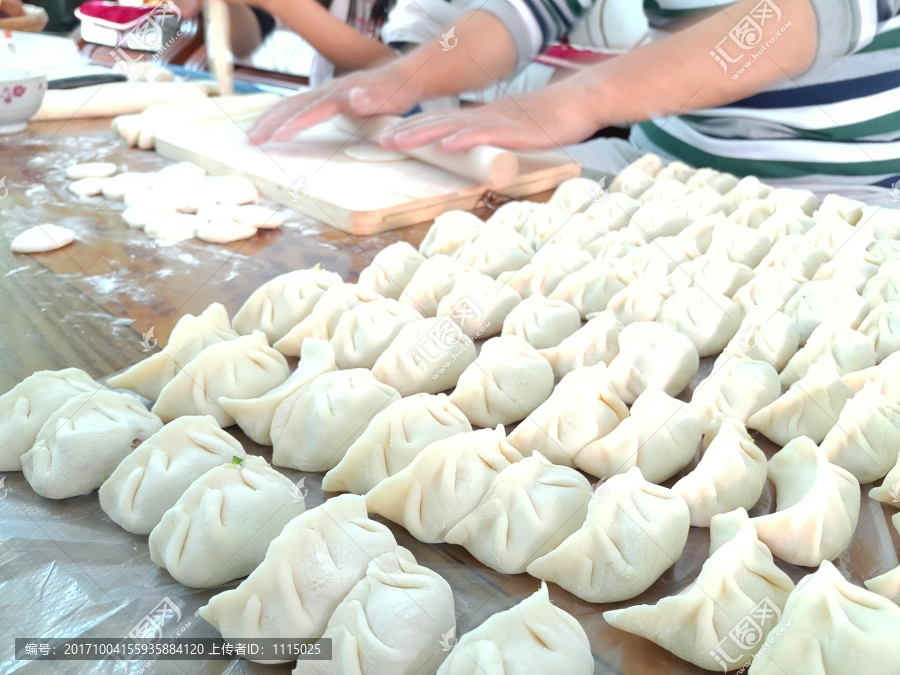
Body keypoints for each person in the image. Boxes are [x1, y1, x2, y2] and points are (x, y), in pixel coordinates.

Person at [249, 0, 900, 188]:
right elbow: (526, 11)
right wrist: (408, 77)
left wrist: (586, 98)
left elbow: (790, 21)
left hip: (840, 193)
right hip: (660, 169)